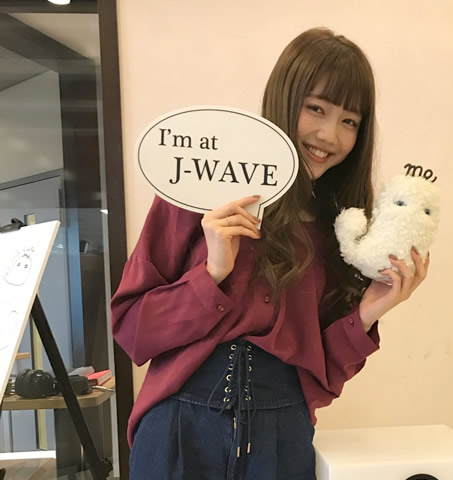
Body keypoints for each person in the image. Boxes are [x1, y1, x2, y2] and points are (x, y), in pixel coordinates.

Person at [111, 28, 431, 480]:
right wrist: (212, 273)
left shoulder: (340, 227)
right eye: (316, 108)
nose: (329, 135)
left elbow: (322, 376)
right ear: (285, 98)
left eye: (349, 121)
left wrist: (367, 314)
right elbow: (131, 330)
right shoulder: (199, 190)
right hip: (178, 430)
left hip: (281, 440)